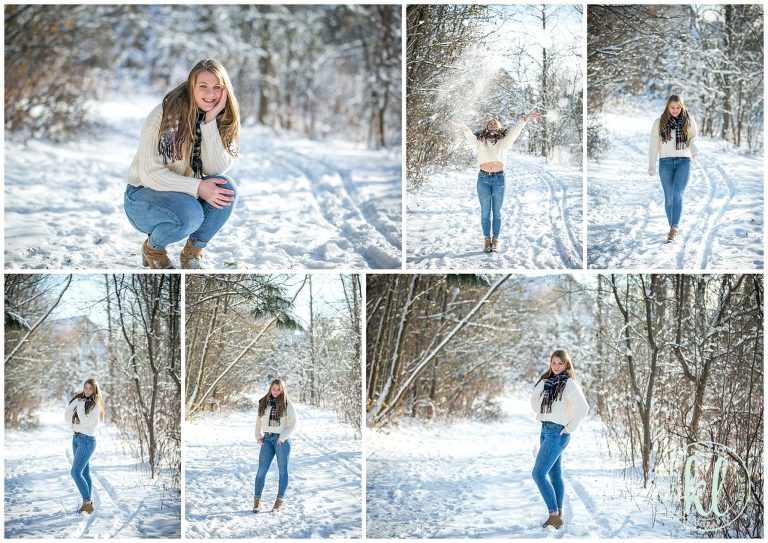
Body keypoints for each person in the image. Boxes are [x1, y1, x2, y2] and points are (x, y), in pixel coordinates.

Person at [124, 59, 241, 269]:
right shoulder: (164, 115)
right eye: (203, 86)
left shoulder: (222, 118)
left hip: (181, 195)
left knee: (226, 188)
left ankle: (192, 253)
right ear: (191, 87)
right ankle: (153, 248)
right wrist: (197, 187)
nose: (210, 93)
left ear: (224, 91)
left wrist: (209, 122)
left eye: (217, 87)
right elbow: (150, 173)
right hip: (142, 197)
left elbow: (215, 169)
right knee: (191, 213)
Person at [460, 112, 542, 253]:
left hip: (499, 179)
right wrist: (465, 128)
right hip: (483, 179)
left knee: (496, 212)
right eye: (490, 123)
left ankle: (495, 240)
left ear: (499, 127)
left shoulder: (505, 140)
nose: (492, 124)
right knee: (485, 212)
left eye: (495, 123)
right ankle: (487, 240)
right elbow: (470, 137)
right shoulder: (480, 140)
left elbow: (516, 130)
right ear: (486, 126)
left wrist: (525, 118)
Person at [530, 350, 589, 529]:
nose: (556, 367)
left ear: (566, 365)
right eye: (553, 363)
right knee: (554, 474)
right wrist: (542, 382)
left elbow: (583, 407)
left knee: (538, 474)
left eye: (560, 364)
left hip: (557, 432)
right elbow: (535, 405)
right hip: (546, 429)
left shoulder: (568, 383)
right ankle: (558, 513)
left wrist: (569, 428)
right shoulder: (548, 382)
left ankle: (554, 515)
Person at [648, 94, 699, 243]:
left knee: (678, 194)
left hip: (684, 161)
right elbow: (653, 145)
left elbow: (694, 137)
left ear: (682, 107)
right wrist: (651, 165)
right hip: (665, 163)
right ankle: (672, 224)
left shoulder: (689, 121)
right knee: (669, 197)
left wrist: (694, 147)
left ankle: (673, 229)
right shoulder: (659, 123)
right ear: (668, 107)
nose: (675, 110)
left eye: (678, 107)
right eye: (672, 107)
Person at [253, 379, 298, 513]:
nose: (276, 391)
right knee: (261, 470)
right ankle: (257, 501)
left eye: (279, 389)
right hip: (267, 439)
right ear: (270, 389)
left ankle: (279, 500)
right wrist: (258, 436)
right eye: (274, 389)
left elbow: (294, 423)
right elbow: (258, 421)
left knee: (282, 471)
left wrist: (283, 437)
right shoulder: (263, 402)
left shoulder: (287, 404)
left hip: (281, 441)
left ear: (282, 390)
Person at [64, 378, 105, 514]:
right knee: (85, 472)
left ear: (94, 390)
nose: (87, 391)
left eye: (90, 388)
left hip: (86, 441)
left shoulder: (95, 405)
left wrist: (80, 405)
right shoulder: (81, 401)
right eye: (85, 388)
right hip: (76, 438)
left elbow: (86, 422)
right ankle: (89, 503)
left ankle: (87, 503)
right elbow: (67, 416)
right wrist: (76, 402)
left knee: (75, 472)